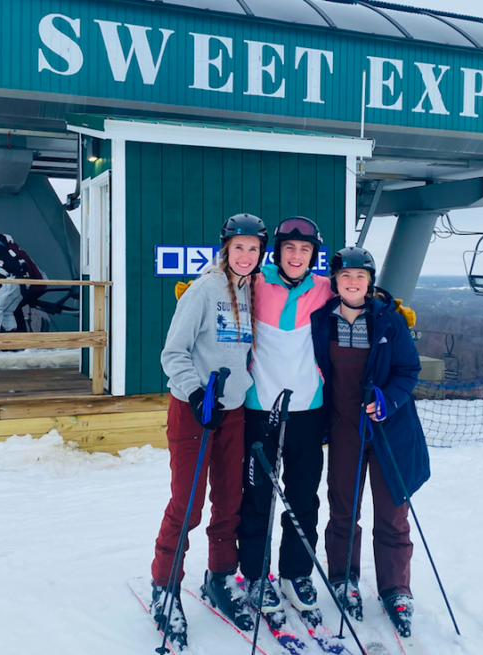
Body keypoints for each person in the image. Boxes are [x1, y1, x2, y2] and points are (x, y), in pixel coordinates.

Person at [150, 213, 268, 646]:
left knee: (230, 499)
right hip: (195, 410)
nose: (246, 255)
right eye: (239, 247)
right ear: (225, 248)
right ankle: (165, 586)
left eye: (254, 248)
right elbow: (172, 352)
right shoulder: (203, 290)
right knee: (188, 503)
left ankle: (219, 576)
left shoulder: (253, 291)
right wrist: (197, 394)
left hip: (233, 410)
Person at [310, 246, 429, 638]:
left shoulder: (389, 322)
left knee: (393, 511)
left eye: (360, 276)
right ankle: (344, 578)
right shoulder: (321, 322)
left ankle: (395, 587)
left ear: (370, 281)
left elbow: (408, 370)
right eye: (346, 276)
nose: (353, 282)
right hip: (345, 426)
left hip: (388, 428)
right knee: (343, 506)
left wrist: (388, 399)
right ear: (335, 282)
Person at [238, 216, 334, 617]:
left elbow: (360, 297)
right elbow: (219, 296)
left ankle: (296, 572)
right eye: (290, 248)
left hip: (308, 410)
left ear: (313, 256)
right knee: (258, 496)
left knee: (303, 498)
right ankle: (257, 574)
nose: (297, 256)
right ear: (277, 251)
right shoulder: (255, 283)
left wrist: (389, 311)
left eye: (305, 250)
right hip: (261, 407)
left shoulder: (325, 289)